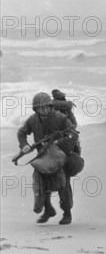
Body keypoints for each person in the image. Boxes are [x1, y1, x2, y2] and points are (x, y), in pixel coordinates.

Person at [17, 92, 78, 225]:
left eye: (45, 107)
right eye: (40, 108)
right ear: (36, 109)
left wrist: (57, 143)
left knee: (63, 185)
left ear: (50, 106)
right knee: (39, 183)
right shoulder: (33, 120)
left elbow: (73, 135)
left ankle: (67, 213)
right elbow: (21, 132)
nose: (43, 110)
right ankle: (48, 209)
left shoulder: (61, 118)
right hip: (43, 158)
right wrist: (24, 145)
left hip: (61, 157)